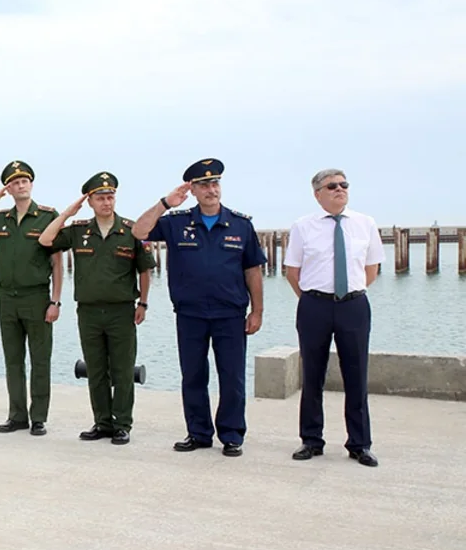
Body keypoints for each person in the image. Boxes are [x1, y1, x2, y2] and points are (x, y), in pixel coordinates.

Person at [132, 158, 266, 457]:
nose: (211, 189)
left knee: (232, 377)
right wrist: (166, 203)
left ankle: (232, 435)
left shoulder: (241, 225)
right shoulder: (176, 222)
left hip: (230, 314)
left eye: (215, 183)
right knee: (193, 376)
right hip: (190, 314)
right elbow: (139, 232)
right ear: (192, 189)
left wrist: (257, 311)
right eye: (204, 185)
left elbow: (253, 271)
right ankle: (198, 433)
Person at [40, 172, 156, 445]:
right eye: (100, 198)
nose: (107, 202)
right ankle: (102, 422)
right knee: (96, 369)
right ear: (90, 201)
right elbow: (46, 240)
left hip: (122, 311)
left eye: (110, 196)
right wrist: (68, 212)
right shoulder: (79, 230)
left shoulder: (131, 229)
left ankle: (122, 424)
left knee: (124, 369)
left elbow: (145, 271)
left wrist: (144, 303)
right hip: (89, 312)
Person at [284, 169, 383, 467]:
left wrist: (348, 294)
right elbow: (293, 271)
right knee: (313, 375)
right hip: (314, 304)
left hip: (353, 305)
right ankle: (311, 440)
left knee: (356, 375)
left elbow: (371, 269)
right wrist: (315, 300)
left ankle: (360, 443)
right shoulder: (303, 227)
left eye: (344, 185)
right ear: (318, 194)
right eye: (332, 186)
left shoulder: (365, 224)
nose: (340, 189)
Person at [0, 162, 63, 436]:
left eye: (25, 181)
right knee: (13, 360)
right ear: (8, 187)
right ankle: (17, 415)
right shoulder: (0, 218)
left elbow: (57, 263)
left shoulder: (48, 216)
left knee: (40, 360)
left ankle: (38, 417)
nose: (21, 185)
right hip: (7, 297)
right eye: (15, 182)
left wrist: (56, 301)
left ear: (31, 184)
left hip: (37, 297)